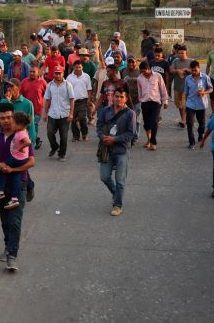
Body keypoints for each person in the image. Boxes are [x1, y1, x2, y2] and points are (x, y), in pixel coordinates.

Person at [0, 103, 36, 271]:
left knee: (14, 221)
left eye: (9, 117)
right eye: (3, 118)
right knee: (5, 219)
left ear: (14, 118)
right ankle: (8, 245)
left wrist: (13, 169)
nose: (6, 121)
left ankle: (12, 256)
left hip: (19, 182)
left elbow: (31, 161)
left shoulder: (21, 134)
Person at [96, 87, 137, 217]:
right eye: (116, 96)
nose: (118, 99)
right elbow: (98, 127)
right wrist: (103, 138)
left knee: (120, 180)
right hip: (106, 149)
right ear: (112, 97)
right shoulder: (104, 111)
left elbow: (130, 134)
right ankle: (115, 192)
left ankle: (117, 205)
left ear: (125, 99)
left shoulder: (130, 114)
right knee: (105, 176)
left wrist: (114, 139)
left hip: (122, 150)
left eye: (121, 97)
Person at [0, 112, 32, 210]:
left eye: (12, 122)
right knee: (16, 176)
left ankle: (0, 191)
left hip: (17, 158)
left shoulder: (20, 133)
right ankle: (14, 199)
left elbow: (28, 142)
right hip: (21, 159)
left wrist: (19, 148)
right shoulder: (22, 131)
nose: (10, 124)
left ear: (19, 125)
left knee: (2, 167)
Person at [43, 65, 75, 161]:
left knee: (63, 136)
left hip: (65, 114)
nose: (57, 75)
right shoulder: (50, 85)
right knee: (49, 133)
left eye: (59, 73)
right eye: (56, 73)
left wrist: (71, 113)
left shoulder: (67, 85)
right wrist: (45, 113)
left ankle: (62, 154)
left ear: (62, 73)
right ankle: (54, 147)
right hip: (53, 113)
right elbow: (47, 100)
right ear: (53, 74)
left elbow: (72, 100)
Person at [137, 61, 168, 151]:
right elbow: (140, 91)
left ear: (149, 69)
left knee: (154, 122)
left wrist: (165, 101)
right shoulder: (139, 78)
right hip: (145, 102)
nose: (144, 73)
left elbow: (163, 89)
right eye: (142, 71)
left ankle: (153, 143)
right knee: (146, 124)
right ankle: (149, 140)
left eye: (145, 71)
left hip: (156, 102)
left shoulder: (157, 76)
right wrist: (140, 101)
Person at [184, 60, 213, 149]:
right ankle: (191, 142)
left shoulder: (205, 77)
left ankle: (201, 134)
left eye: (195, 70)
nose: (193, 72)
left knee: (202, 123)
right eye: (192, 70)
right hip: (190, 104)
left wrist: (204, 92)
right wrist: (186, 104)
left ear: (199, 68)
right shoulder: (188, 78)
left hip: (201, 104)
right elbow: (186, 93)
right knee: (189, 123)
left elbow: (211, 89)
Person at [20, 66, 48, 150]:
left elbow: (47, 94)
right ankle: (35, 139)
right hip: (26, 109)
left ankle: (32, 142)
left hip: (37, 109)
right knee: (26, 125)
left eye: (33, 72)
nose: (31, 73)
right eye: (30, 72)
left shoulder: (42, 82)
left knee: (34, 124)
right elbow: (21, 94)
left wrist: (45, 105)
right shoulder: (24, 81)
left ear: (38, 73)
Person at [66, 61, 93, 142]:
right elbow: (67, 90)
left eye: (79, 67)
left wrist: (89, 99)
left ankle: (84, 134)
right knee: (73, 119)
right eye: (76, 67)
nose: (78, 69)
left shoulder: (86, 76)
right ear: (73, 67)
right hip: (73, 101)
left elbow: (89, 89)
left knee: (82, 118)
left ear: (82, 67)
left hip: (83, 100)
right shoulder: (69, 78)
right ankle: (76, 136)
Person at [170, 45, 193, 128]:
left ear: (186, 53)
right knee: (178, 104)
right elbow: (171, 70)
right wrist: (177, 70)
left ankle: (183, 120)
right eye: (179, 53)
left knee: (184, 104)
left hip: (187, 87)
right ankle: (183, 119)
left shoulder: (191, 61)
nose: (181, 55)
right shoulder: (176, 61)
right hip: (177, 87)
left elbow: (196, 71)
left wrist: (187, 70)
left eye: (182, 53)